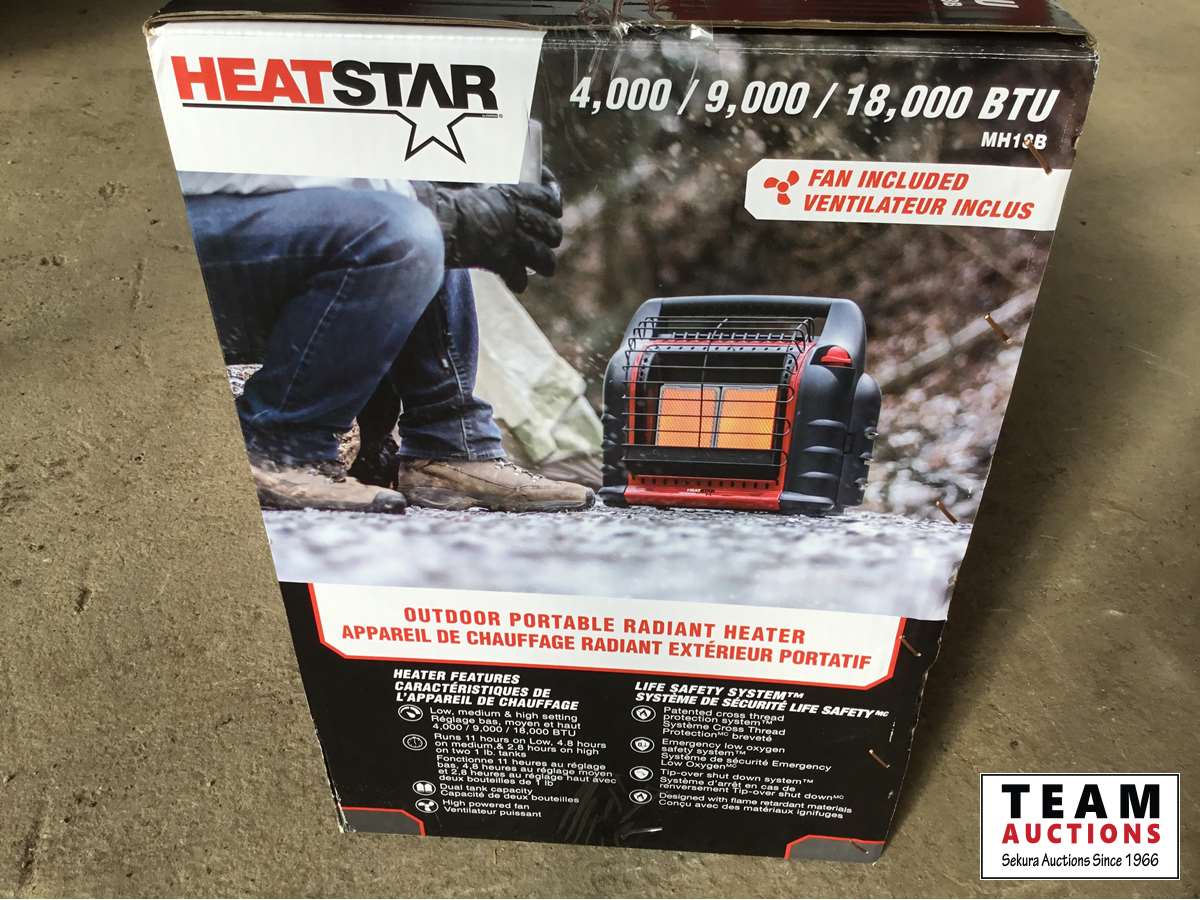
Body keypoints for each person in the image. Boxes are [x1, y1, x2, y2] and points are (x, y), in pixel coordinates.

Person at [180, 169, 594, 514]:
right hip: (171, 225)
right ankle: (277, 446)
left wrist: (467, 179)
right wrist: (422, 197)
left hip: (265, 224)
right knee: (402, 225)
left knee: (424, 209)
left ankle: (449, 446)